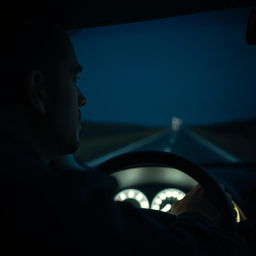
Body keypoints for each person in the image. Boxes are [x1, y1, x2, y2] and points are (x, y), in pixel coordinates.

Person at [0, 10, 250, 255]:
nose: (83, 99)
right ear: (39, 92)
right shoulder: (60, 207)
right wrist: (198, 218)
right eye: (73, 79)